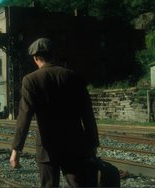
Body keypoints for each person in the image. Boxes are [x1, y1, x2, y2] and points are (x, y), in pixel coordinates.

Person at [9, 38, 100, 187]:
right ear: (53, 55)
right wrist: (92, 144)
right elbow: (87, 113)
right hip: (75, 145)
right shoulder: (72, 76)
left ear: (36, 58)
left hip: (47, 149)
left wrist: (16, 149)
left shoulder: (31, 80)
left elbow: (24, 117)